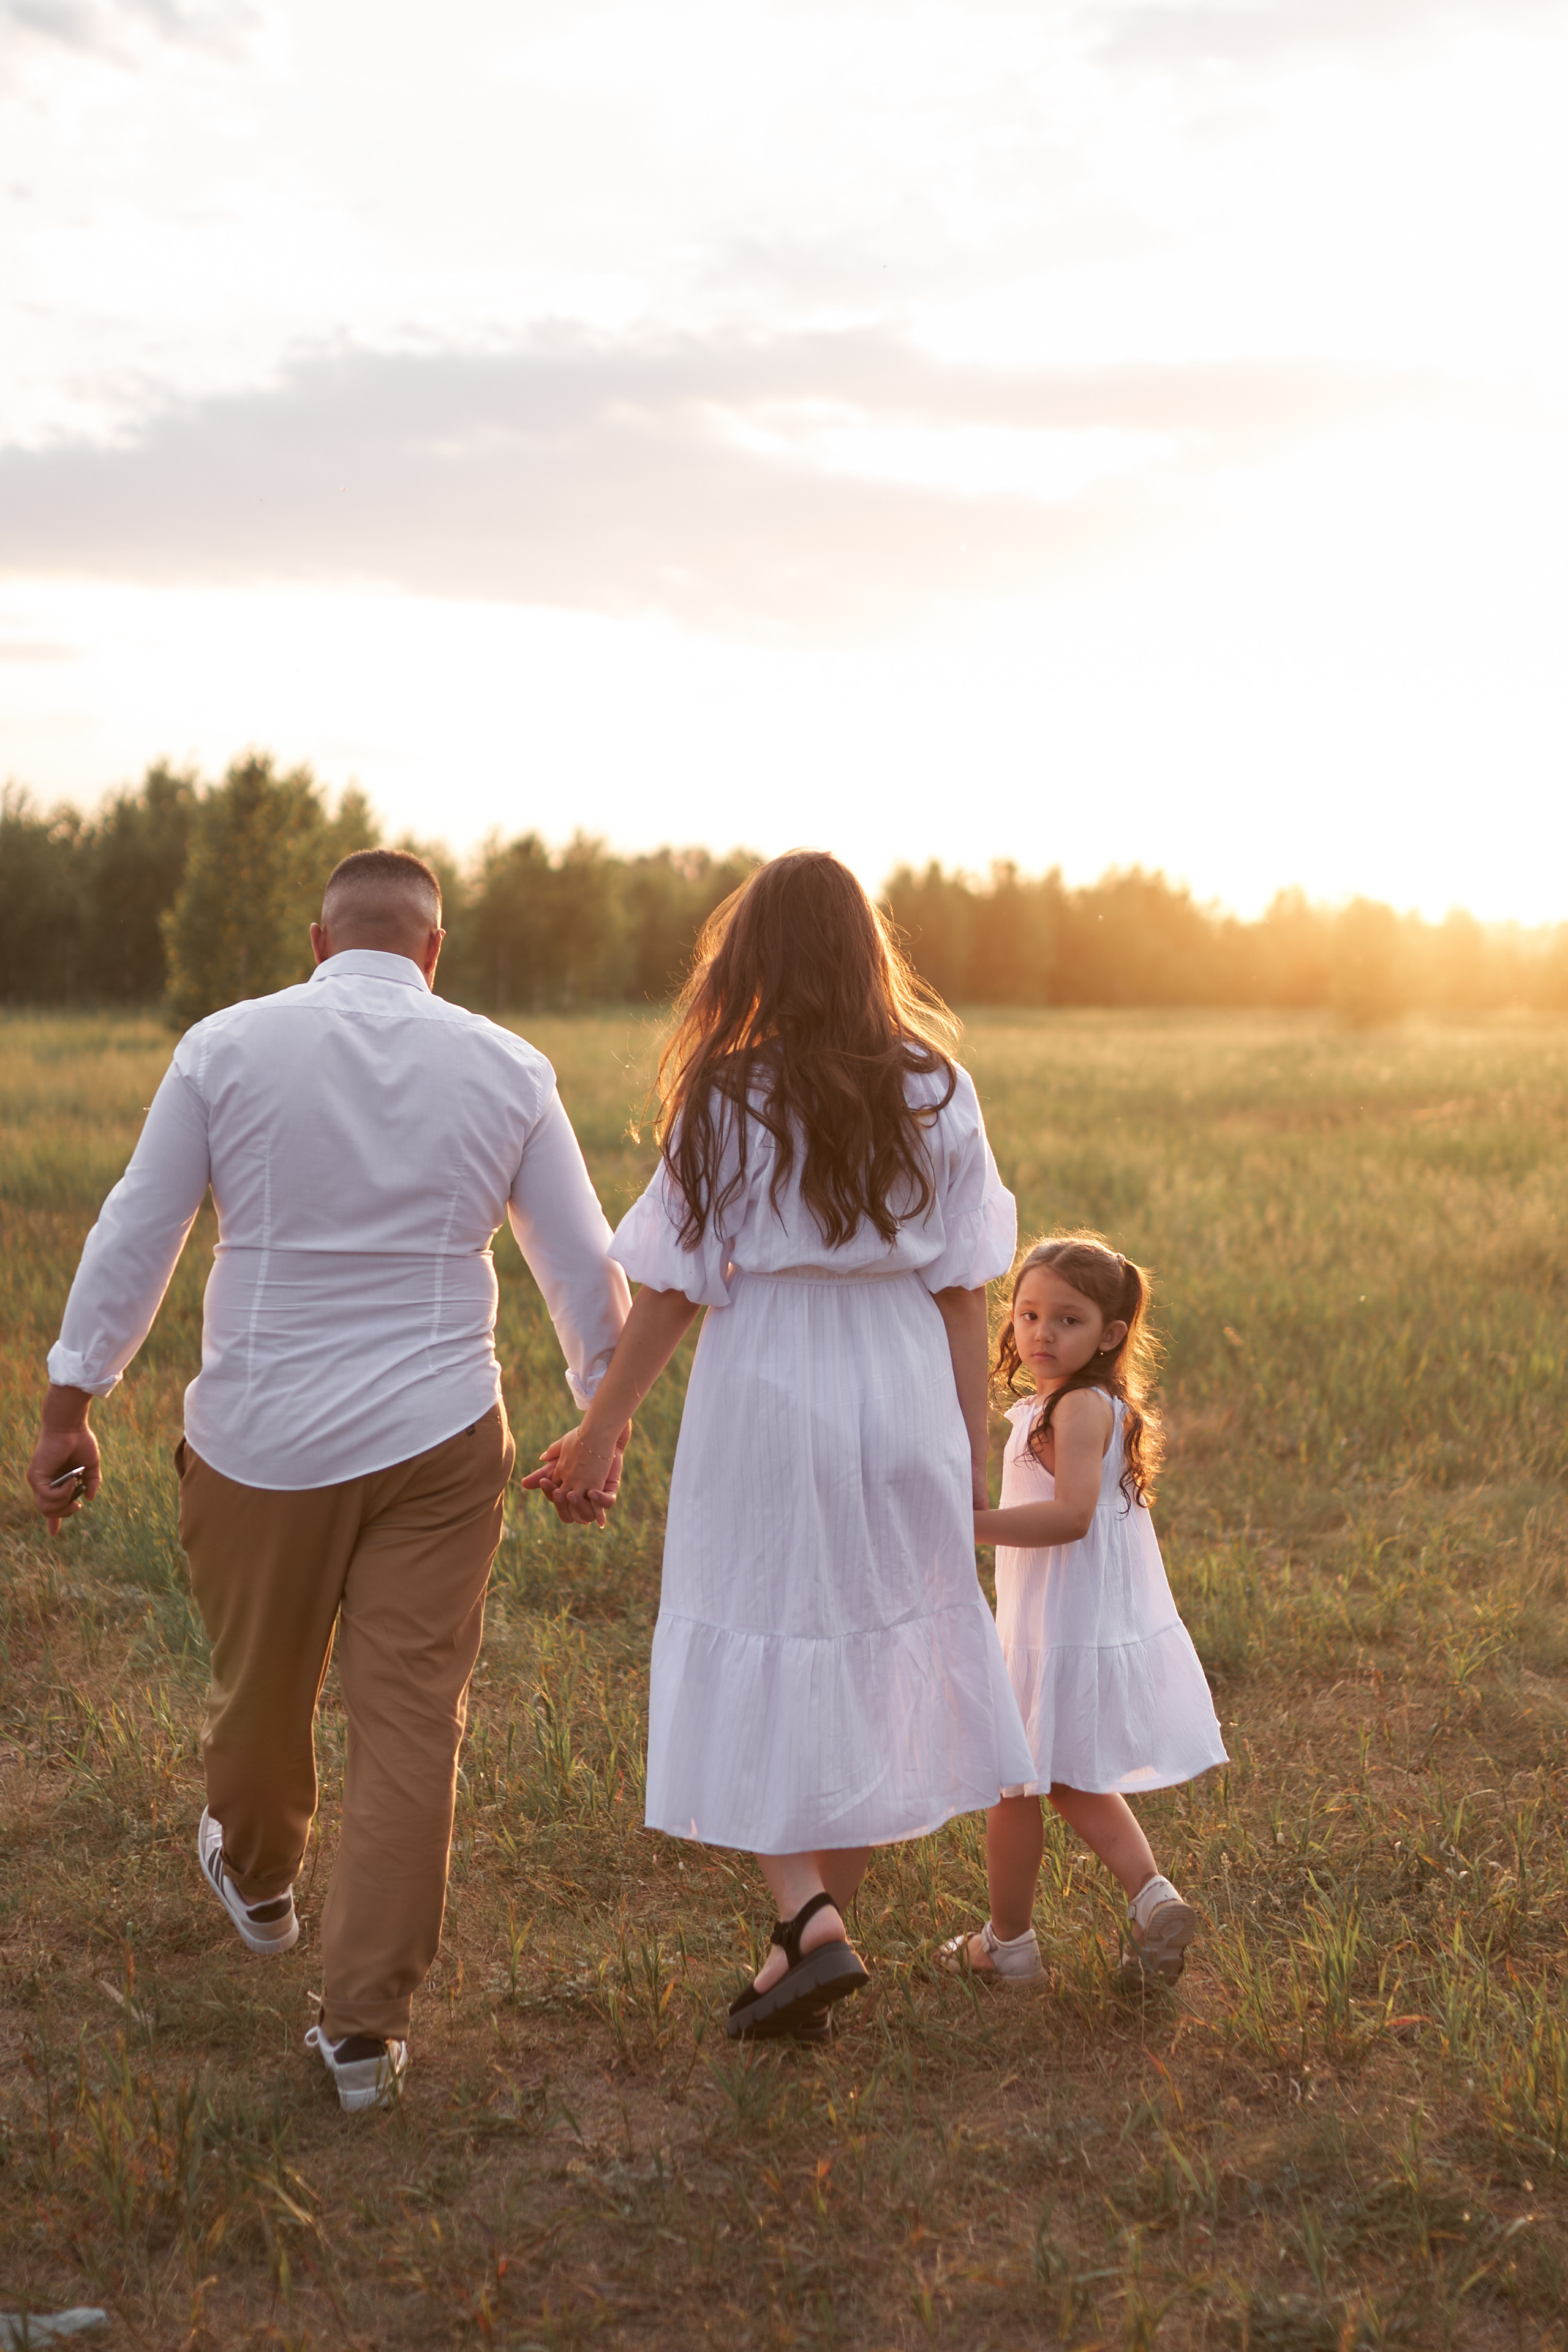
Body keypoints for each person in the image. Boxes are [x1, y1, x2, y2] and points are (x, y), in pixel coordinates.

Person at [26, 849, 630, 2112]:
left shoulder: (224, 1048)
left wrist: (71, 1401)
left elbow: (139, 1229)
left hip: (262, 1437)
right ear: (434, 949)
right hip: (440, 1430)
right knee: (415, 1723)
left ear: (315, 941)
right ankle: (364, 2035)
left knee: (262, 1690)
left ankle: (256, 1878)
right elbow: (580, 1264)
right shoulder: (508, 1065)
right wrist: (601, 1422)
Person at [526, 850, 1036, 2042]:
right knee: (863, 1652)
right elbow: (966, 1292)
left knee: (755, 1625)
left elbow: (671, 1290)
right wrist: (966, 1448)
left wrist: (603, 1428)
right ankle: (802, 1949)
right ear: (869, 955)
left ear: (750, 957)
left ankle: (806, 1915)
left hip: (769, 1382)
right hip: (903, 1378)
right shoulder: (937, 1086)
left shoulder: (726, 1092)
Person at [940, 1234, 1227, 1991]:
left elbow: (1070, 1517)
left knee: (1016, 1778)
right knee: (1063, 1780)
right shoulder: (1081, 1403)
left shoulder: (1074, 1409)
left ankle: (1008, 1944)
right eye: (1028, 1313)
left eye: (1066, 1320)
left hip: (1055, 1627)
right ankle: (1151, 1898)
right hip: (1070, 1620)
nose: (1040, 1332)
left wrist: (958, 1524)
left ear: (1110, 1336)